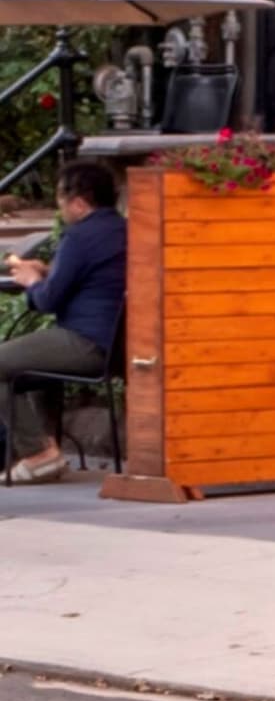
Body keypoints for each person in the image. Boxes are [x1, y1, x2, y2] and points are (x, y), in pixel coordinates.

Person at [1, 158, 124, 481]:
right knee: (31, 365)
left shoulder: (81, 236)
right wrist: (48, 274)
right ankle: (47, 447)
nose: (61, 212)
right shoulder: (119, 229)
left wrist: (31, 280)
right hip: (115, 344)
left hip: (86, 342)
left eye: (61, 203)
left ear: (79, 203)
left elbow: (47, 300)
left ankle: (38, 453)